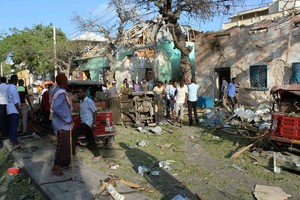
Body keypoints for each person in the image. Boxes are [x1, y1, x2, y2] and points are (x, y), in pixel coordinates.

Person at [50, 73, 72, 176]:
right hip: (62, 124)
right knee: (61, 145)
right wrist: (67, 118)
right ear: (63, 82)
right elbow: (55, 107)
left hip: (62, 123)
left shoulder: (55, 91)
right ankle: (56, 166)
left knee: (65, 145)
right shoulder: (61, 93)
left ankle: (63, 164)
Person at [72, 87, 102, 160]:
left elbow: (95, 112)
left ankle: (72, 153)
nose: (79, 94)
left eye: (80, 92)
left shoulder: (89, 101)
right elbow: (80, 114)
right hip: (84, 122)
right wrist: (72, 120)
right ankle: (97, 154)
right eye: (78, 93)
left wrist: (94, 124)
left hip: (87, 123)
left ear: (84, 93)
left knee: (74, 133)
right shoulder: (81, 102)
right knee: (91, 139)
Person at [6, 75, 22, 146]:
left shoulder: (8, 87)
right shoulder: (13, 89)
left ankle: (11, 140)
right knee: (14, 126)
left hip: (9, 109)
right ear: (16, 80)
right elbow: (16, 102)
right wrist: (20, 112)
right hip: (14, 110)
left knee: (11, 126)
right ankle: (14, 141)